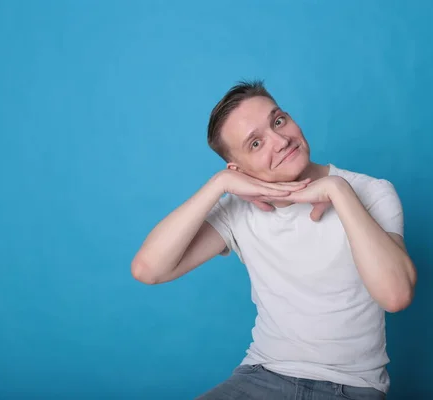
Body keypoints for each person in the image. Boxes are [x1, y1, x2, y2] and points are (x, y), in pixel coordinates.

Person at [131, 80, 417, 399]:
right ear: (239, 168)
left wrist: (338, 190)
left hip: (350, 387)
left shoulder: (370, 192)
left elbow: (396, 296)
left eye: (278, 121)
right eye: (255, 144)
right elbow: (148, 269)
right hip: (261, 375)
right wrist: (220, 184)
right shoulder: (238, 210)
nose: (280, 141)